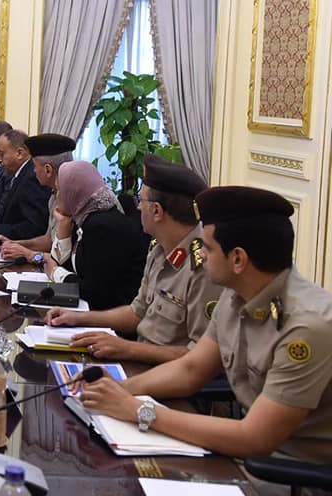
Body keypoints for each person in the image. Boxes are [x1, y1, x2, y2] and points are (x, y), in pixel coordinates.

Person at [80, 186, 332, 472]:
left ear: (238, 259)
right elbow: (191, 369)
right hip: (244, 460)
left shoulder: (307, 326)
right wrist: (118, 389)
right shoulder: (236, 295)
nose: (200, 254)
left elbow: (255, 438)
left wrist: (139, 410)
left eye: (208, 248)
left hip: (291, 476)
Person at [46, 155, 221, 364]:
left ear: (156, 211)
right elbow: (136, 312)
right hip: (141, 359)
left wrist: (127, 348)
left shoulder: (204, 267)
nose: (137, 208)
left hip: (167, 372)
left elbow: (199, 357)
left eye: (142, 201)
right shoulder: (158, 248)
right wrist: (78, 318)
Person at [44, 161, 148, 310]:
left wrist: (56, 273)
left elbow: (94, 292)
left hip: (114, 315)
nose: (57, 196)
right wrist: (62, 226)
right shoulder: (83, 216)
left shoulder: (103, 227)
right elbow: (63, 263)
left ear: (74, 192)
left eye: (59, 190)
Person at [0, 133, 75, 259]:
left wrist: (30, 255)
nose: (34, 171)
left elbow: (63, 257)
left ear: (48, 170)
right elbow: (49, 241)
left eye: (35, 166)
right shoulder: (54, 195)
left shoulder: (72, 200)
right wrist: (13, 244)